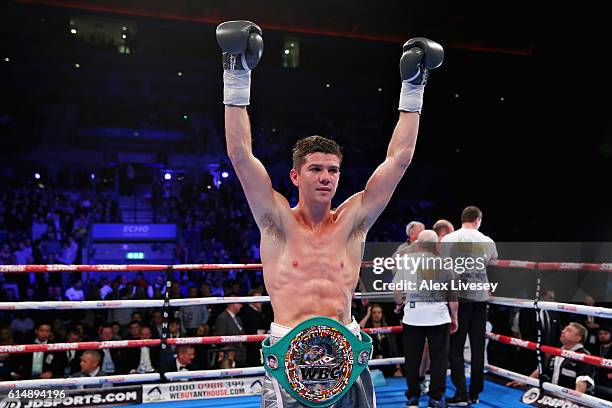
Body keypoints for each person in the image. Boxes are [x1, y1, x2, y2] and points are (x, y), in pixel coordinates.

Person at [217, 19, 443, 407]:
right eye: (316, 169)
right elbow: (240, 155)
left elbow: (399, 160)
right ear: (295, 175)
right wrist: (235, 75)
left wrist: (414, 88)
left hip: (346, 348)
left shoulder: (353, 221)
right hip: (290, 348)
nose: (326, 177)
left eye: (333, 170)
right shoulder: (276, 220)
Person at [393, 230, 458, 407]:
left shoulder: (407, 262)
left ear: (419, 244)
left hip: (413, 317)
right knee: (439, 359)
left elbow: (397, 290)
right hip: (438, 317)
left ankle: (413, 396)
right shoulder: (445, 263)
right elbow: (452, 294)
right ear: (437, 245)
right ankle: (436, 398)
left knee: (412, 359)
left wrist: (399, 305)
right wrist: (455, 317)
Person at [440, 206, 498, 405]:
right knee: (477, 347)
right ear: (478, 220)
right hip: (480, 299)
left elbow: (444, 269)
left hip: (458, 298)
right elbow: (493, 262)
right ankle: (474, 393)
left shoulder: (448, 240)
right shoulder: (487, 241)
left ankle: (462, 392)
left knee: (455, 349)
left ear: (462, 218)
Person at [507, 323, 594, 393]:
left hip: (568, 400)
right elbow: (541, 369)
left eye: (568, 330)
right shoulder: (556, 351)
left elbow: (582, 382)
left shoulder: (583, 356)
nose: (563, 331)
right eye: (564, 329)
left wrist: (573, 402)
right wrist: (525, 381)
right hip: (551, 396)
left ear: (578, 338)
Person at [593, 326, 612, 399]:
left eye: (605, 333)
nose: (602, 336)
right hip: (595, 378)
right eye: (600, 334)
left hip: (608, 382)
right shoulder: (595, 347)